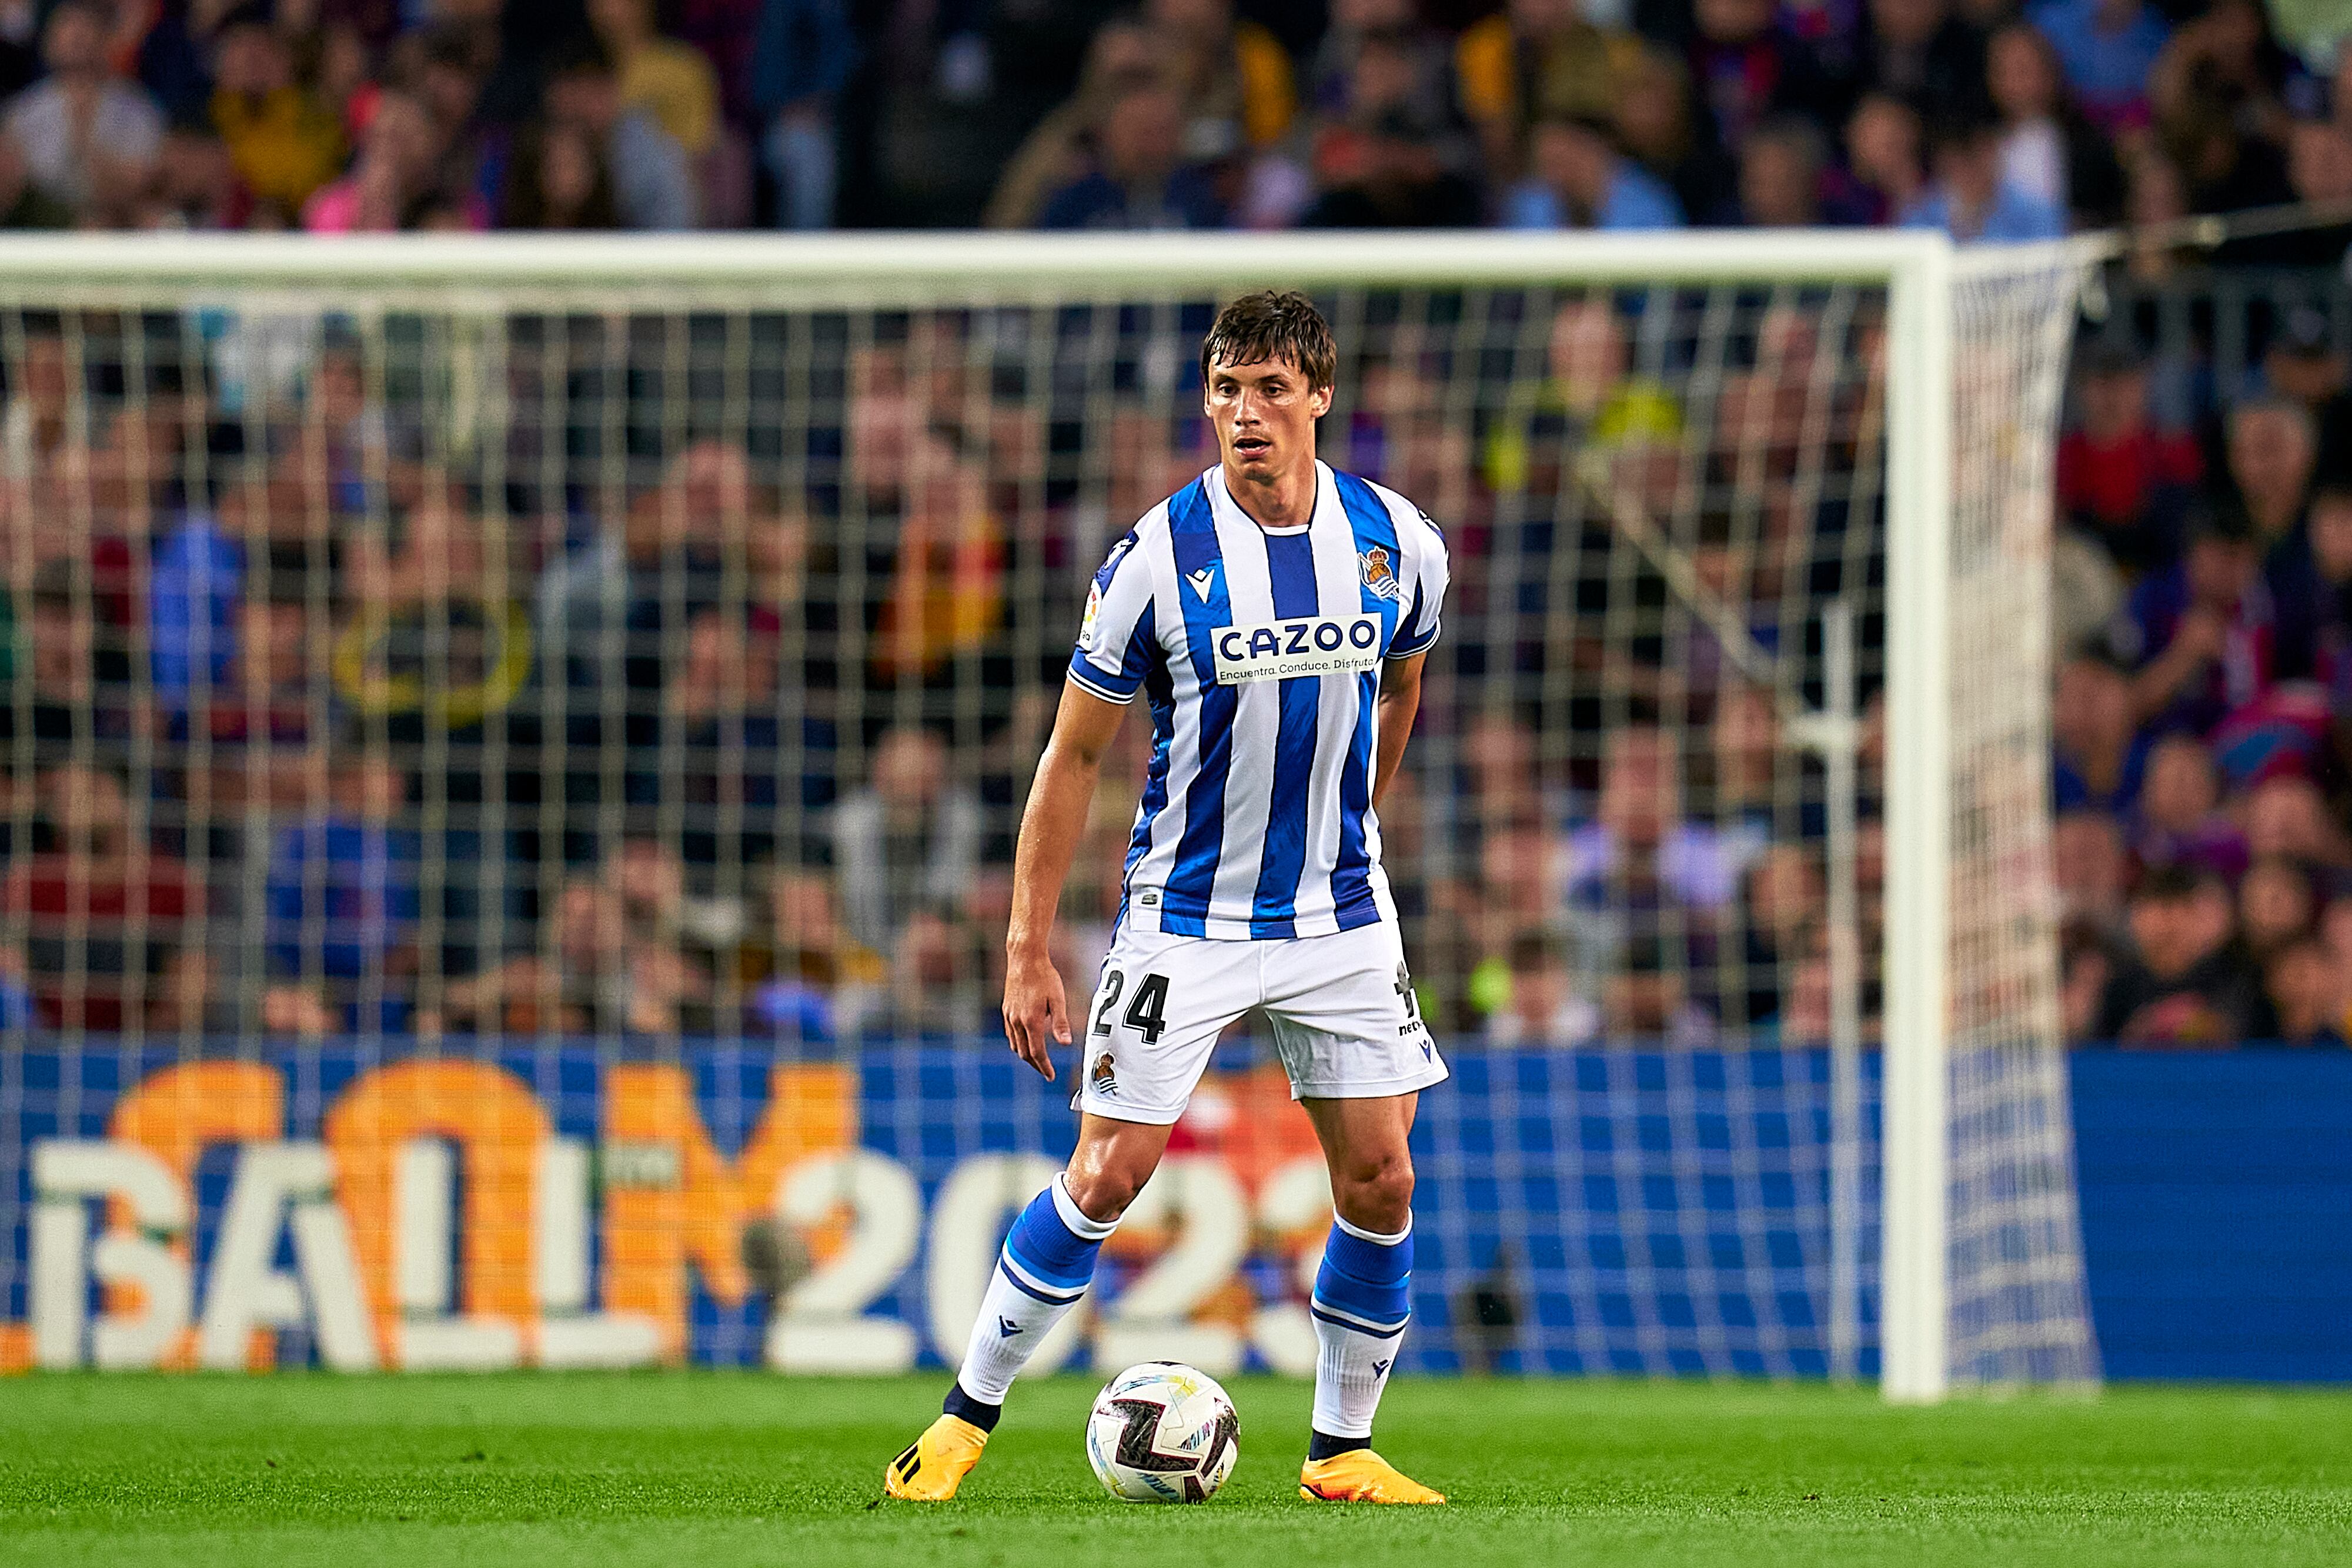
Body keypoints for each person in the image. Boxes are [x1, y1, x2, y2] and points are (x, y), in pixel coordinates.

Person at [884, 292, 1451, 1506]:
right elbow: (1071, 757)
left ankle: (1340, 1450)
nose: (1243, 414)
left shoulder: (1397, 539)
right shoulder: (1153, 559)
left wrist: (1356, 819)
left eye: (1266, 389)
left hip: (1338, 913)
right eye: (1224, 390)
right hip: (1186, 916)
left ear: (1318, 395)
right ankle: (958, 1422)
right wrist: (1026, 947)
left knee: (1382, 1177)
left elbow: (1403, 684)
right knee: (1106, 1174)